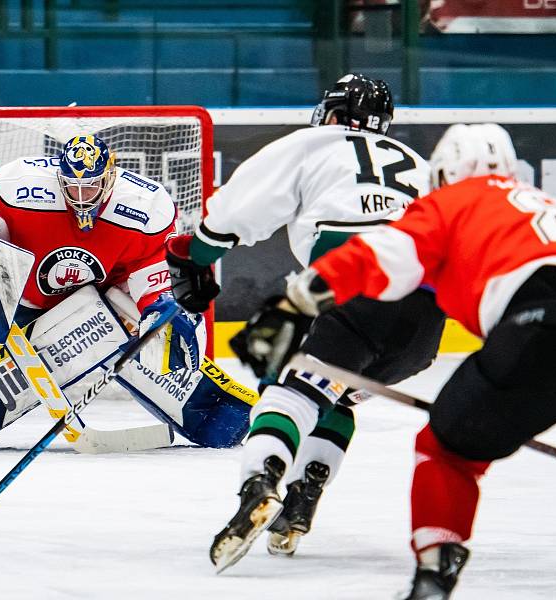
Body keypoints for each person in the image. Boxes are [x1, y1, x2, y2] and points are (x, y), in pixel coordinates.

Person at [284, 123, 556, 598]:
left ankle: (435, 573)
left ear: (442, 173)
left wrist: (297, 301)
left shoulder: (450, 202)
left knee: (446, 450)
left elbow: (381, 254)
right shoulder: (555, 207)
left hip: (546, 327)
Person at [165, 73, 446, 569]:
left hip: (357, 291)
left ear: (334, 114)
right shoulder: (419, 166)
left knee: (287, 390)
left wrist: (198, 254)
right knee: (330, 391)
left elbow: (234, 213)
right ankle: (303, 497)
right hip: (426, 324)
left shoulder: (316, 143)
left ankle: (261, 483)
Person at [0, 134, 254, 452]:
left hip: (110, 295)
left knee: (159, 334)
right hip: (32, 299)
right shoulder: (17, 184)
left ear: (109, 178)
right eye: (71, 188)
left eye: (89, 188)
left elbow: (154, 269)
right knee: (37, 359)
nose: (80, 197)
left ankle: (226, 417)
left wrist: (160, 307)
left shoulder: (145, 206)